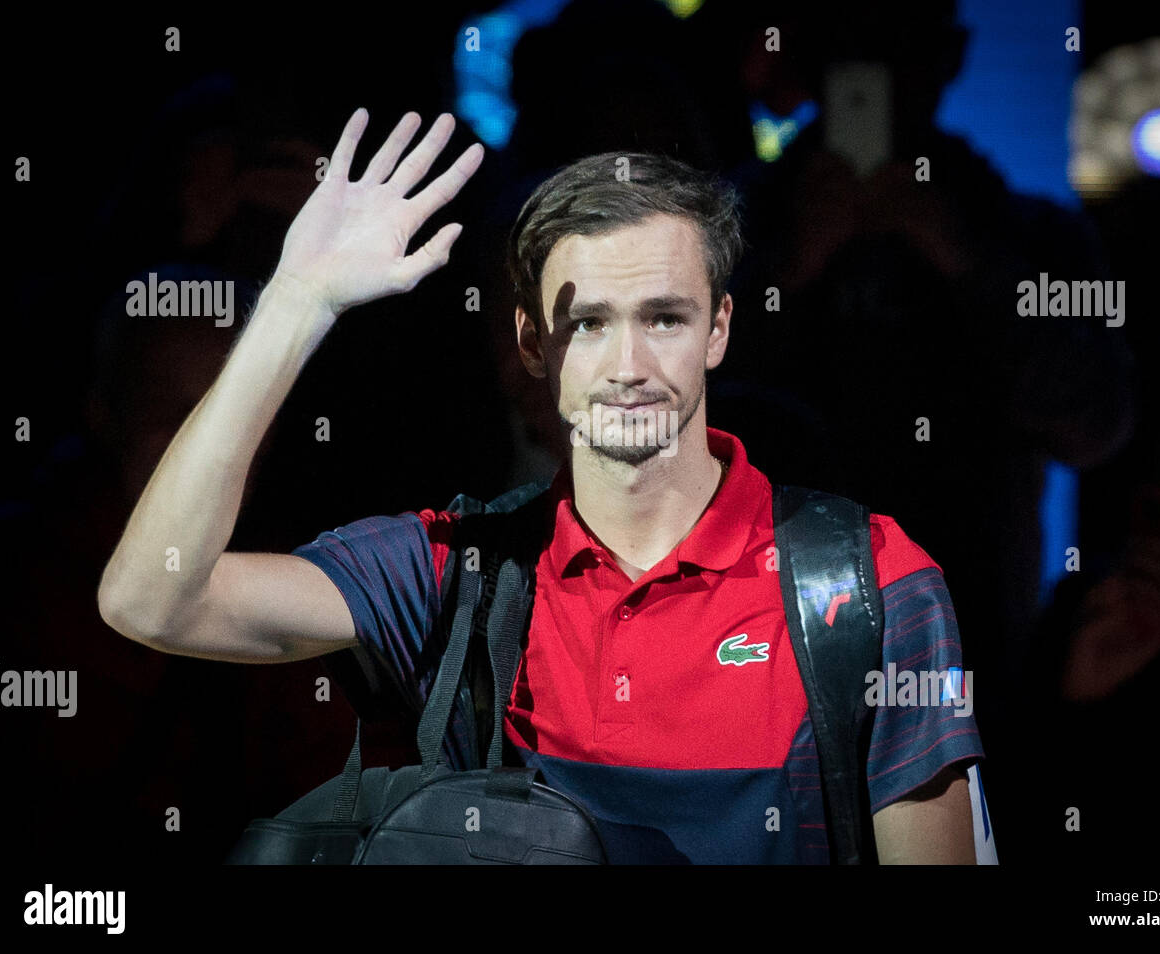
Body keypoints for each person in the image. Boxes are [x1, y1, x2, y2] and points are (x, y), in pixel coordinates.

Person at [98, 108, 987, 864]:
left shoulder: (867, 583)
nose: (629, 365)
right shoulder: (459, 572)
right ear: (532, 344)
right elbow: (153, 601)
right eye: (589, 323)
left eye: (665, 319)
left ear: (719, 328)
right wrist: (297, 302)